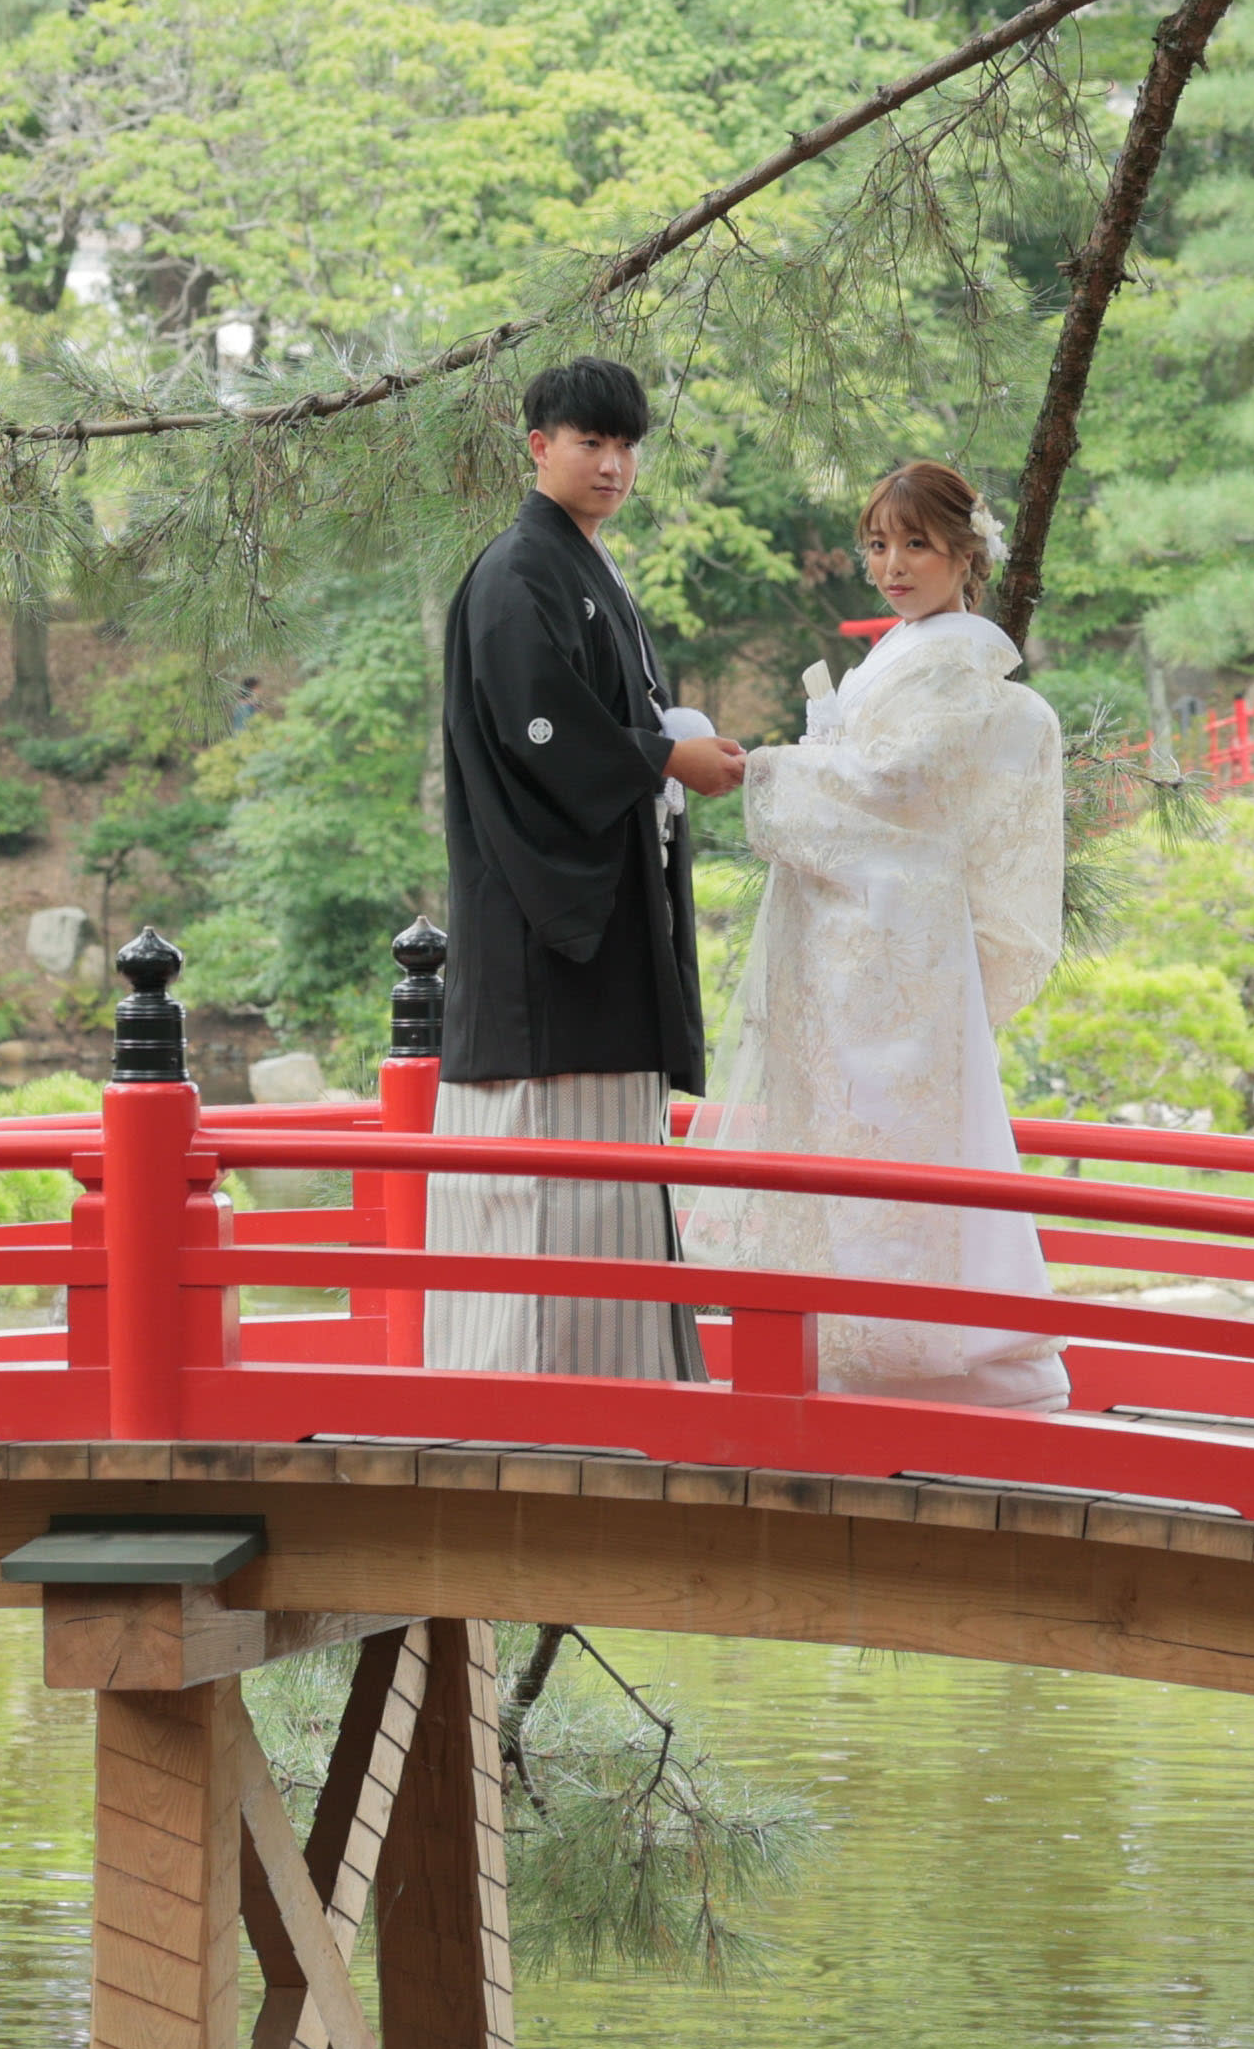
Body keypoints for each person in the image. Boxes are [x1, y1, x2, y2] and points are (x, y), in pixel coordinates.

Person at [685, 459, 1071, 1409]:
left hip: (900, 942)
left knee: (902, 1137)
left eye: (916, 545)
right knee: (850, 1136)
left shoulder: (959, 661)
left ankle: (933, 1359)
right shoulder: (906, 650)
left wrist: (767, 771)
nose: (892, 566)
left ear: (965, 554)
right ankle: (858, 1347)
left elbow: (894, 787)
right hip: (854, 933)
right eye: (878, 545)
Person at [425, 357, 743, 1380]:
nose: (611, 464)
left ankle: (626, 1398)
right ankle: (541, 1415)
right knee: (545, 1191)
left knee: (602, 1188)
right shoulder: (519, 573)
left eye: (625, 445)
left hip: (604, 929)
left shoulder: (583, 567)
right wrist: (664, 758)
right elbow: (541, 733)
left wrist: (665, 748)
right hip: (550, 940)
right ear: (539, 447)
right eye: (590, 442)